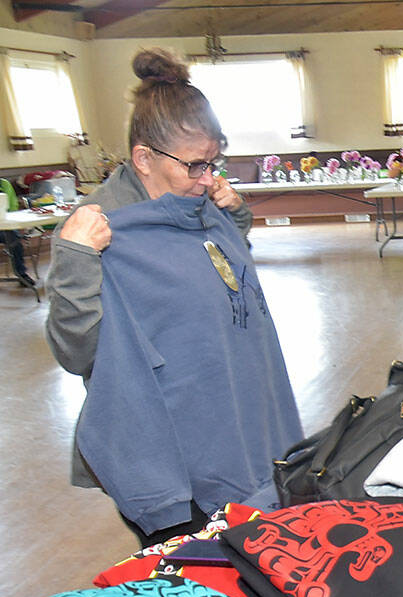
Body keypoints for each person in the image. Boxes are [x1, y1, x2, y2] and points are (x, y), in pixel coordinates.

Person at [44, 47, 301, 546]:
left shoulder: (197, 203)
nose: (209, 179)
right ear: (143, 157)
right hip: (168, 456)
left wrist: (234, 220)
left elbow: (222, 283)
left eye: (214, 163)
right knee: (193, 578)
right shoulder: (96, 232)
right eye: (196, 166)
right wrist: (76, 260)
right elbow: (76, 353)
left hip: (233, 427)